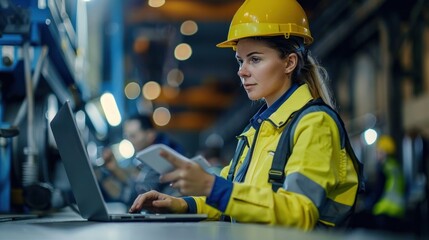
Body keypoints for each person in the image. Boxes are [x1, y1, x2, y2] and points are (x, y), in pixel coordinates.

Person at [129, 0, 363, 231]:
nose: (242, 71)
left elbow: (299, 212)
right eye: (240, 60)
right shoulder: (256, 131)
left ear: (289, 63)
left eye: (255, 59)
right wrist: (181, 205)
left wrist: (211, 186)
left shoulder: (315, 124)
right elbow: (235, 202)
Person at [96, 114, 184, 206]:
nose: (129, 141)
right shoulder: (140, 159)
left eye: (133, 136)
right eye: (127, 137)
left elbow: (140, 198)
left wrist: (116, 171)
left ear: (150, 135)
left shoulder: (162, 159)